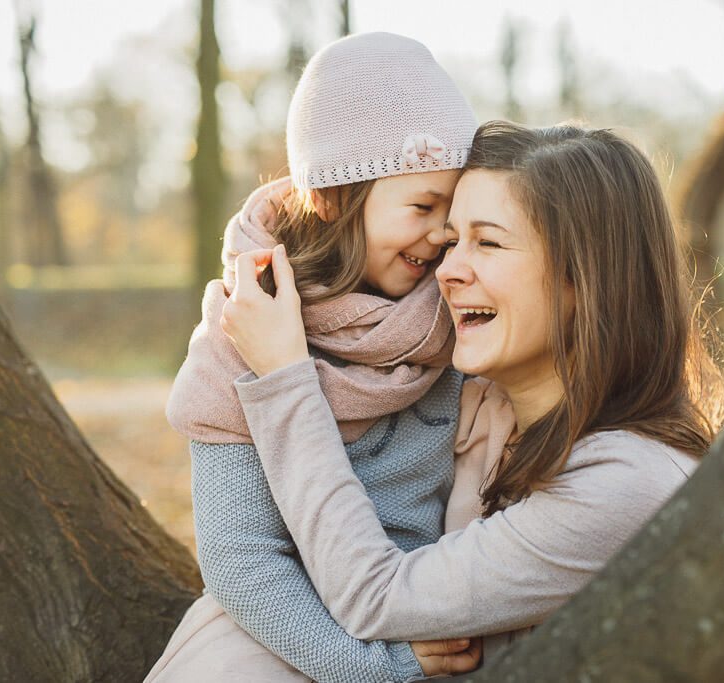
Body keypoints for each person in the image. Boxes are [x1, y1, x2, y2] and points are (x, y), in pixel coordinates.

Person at [221, 121, 724, 668]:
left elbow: (376, 597)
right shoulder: (488, 418)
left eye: (487, 242)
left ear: (585, 277)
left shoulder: (626, 482)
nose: (447, 271)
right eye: (450, 240)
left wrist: (283, 376)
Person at [146, 32, 485, 682]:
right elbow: (243, 561)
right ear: (331, 197)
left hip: (429, 619)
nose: (444, 233)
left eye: (455, 205)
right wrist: (381, 667)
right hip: (282, 638)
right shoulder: (242, 332)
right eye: (422, 205)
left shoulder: (461, 311)